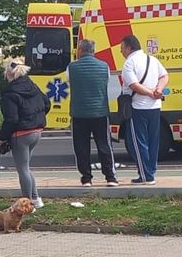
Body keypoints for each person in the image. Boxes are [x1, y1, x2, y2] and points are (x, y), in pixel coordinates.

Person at [0, 60, 49, 209]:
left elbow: (11, 119)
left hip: (21, 134)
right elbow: (46, 104)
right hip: (36, 131)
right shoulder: (32, 85)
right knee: (26, 167)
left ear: (8, 73)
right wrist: (35, 119)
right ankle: (36, 200)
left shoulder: (9, 92)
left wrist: (2, 136)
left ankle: (28, 205)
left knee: (23, 170)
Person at [67, 39, 118, 187]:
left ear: (80, 51)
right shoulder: (104, 67)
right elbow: (107, 85)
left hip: (79, 113)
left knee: (81, 146)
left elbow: (69, 81)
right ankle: (110, 177)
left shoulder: (71, 67)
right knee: (104, 145)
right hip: (100, 112)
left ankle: (86, 178)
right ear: (93, 51)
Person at [119, 34, 168, 184]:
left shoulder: (129, 63)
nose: (121, 52)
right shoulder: (152, 59)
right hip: (154, 107)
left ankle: (146, 175)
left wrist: (151, 93)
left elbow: (133, 85)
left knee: (137, 142)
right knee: (153, 141)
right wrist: (158, 90)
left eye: (122, 49)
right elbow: (164, 75)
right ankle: (150, 171)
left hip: (137, 107)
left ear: (128, 48)